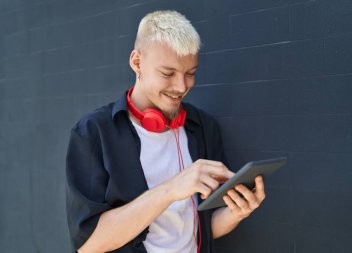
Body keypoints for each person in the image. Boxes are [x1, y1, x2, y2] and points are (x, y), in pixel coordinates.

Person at [66, 10, 265, 253]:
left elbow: (203, 229)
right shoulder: (93, 132)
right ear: (137, 62)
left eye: (190, 73)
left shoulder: (203, 127)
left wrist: (236, 213)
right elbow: (89, 244)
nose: (181, 87)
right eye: (167, 74)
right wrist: (171, 190)